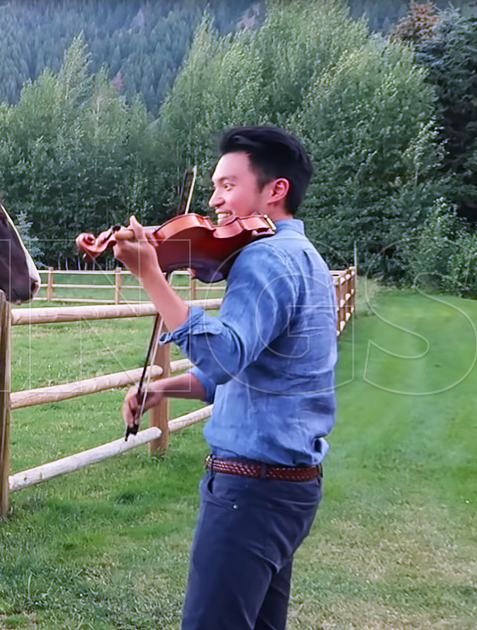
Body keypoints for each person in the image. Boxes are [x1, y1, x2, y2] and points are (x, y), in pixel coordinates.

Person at [111, 125, 337, 630]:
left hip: (251, 492)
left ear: (276, 190)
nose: (214, 200)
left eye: (228, 185)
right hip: (291, 490)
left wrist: (150, 276)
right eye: (214, 186)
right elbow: (254, 373)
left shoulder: (266, 256)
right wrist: (164, 387)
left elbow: (226, 357)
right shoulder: (307, 258)